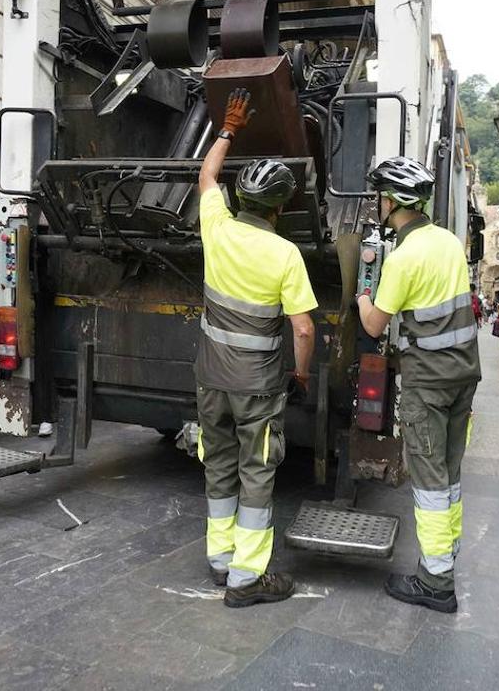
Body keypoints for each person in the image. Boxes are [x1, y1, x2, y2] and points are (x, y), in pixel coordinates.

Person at [195, 88, 317, 608]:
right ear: (282, 206)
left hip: (210, 381)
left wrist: (228, 127)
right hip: (258, 387)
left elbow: (205, 178)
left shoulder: (216, 229)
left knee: (218, 464)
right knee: (257, 472)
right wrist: (303, 374)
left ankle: (221, 561)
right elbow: (304, 329)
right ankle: (247, 578)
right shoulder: (285, 253)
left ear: (240, 200)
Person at [357, 156, 481, 614]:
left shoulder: (404, 258)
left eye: (380, 197)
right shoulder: (448, 242)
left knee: (429, 481)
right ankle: (446, 558)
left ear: (390, 202)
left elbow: (373, 326)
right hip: (464, 375)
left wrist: (362, 291)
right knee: (448, 475)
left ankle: (435, 583)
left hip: (428, 381)